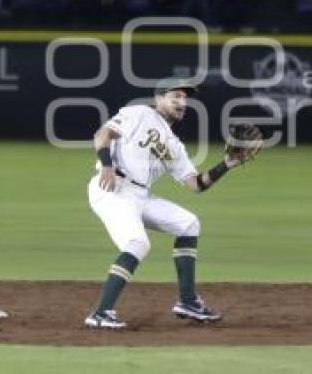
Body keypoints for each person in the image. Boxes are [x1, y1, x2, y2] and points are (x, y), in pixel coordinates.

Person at [84, 77, 263, 329]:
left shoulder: (174, 146)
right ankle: (100, 312)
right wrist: (106, 165)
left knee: (188, 224)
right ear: (159, 99)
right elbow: (102, 134)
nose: (182, 102)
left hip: (140, 195)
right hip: (112, 188)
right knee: (137, 243)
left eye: (184, 98)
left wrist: (227, 165)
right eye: (175, 96)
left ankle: (187, 301)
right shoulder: (139, 113)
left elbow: (195, 184)